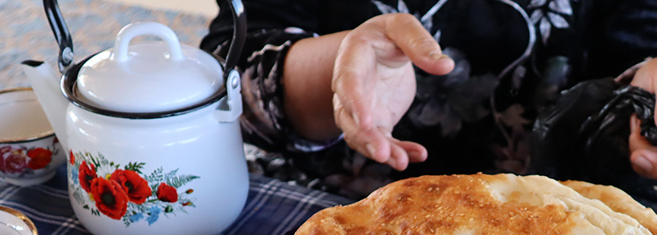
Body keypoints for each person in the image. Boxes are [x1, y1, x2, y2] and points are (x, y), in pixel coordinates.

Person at [201, 0, 657, 199]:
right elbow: (227, 75)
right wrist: (337, 69)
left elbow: (641, 40)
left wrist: (644, 97)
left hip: (559, 211)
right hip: (331, 212)